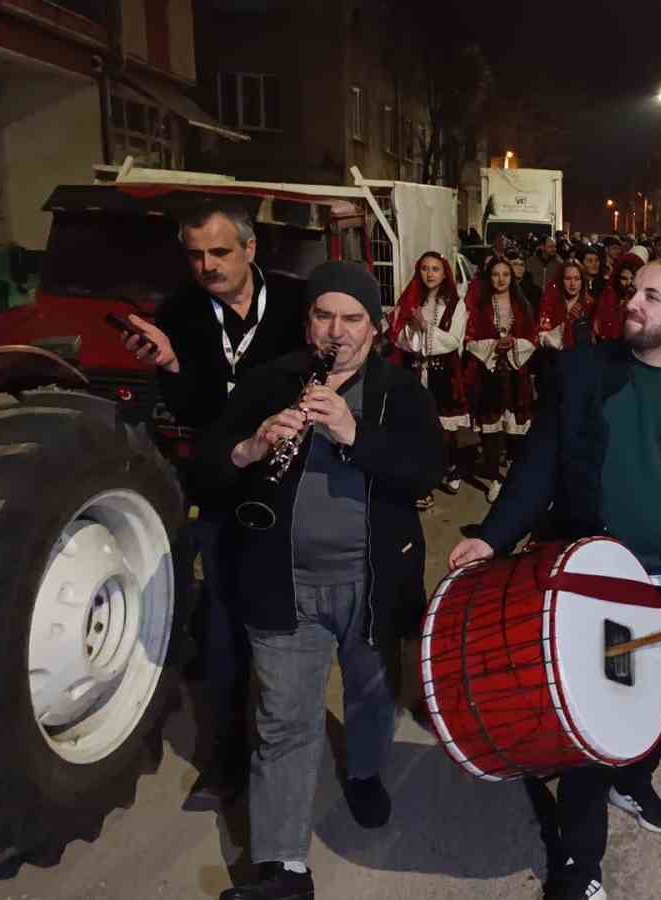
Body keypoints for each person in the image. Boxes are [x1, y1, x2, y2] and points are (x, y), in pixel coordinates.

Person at [446, 261, 661, 900]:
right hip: (590, 582)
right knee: (593, 722)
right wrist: (492, 537)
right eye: (634, 290)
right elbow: (539, 466)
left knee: (656, 703)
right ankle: (580, 863)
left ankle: (633, 780)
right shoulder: (584, 371)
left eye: (651, 296)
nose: (633, 302)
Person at [201, 261, 442, 900]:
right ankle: (284, 868)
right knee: (283, 720)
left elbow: (424, 471)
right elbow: (208, 466)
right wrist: (250, 449)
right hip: (284, 583)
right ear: (308, 322)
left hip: (371, 582)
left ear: (375, 327)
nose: (337, 331)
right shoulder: (270, 381)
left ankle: (363, 772)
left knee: (371, 694)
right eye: (324, 316)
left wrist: (353, 432)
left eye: (352, 318)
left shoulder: (400, 391)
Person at [120, 203, 307, 809]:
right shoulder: (179, 312)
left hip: (292, 485)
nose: (207, 265)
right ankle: (226, 760)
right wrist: (172, 365)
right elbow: (194, 411)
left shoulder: (298, 302)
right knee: (225, 627)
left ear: (250, 249)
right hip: (225, 485)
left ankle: (296, 753)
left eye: (220, 252)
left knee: (289, 629)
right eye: (196, 255)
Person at [388, 252, 472, 506]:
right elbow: (398, 338)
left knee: (445, 427)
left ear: (444, 274)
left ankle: (450, 466)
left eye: (435, 269)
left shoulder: (455, 304)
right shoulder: (411, 301)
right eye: (425, 268)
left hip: (444, 372)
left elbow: (454, 340)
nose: (430, 274)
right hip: (415, 371)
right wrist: (413, 328)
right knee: (419, 427)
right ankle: (423, 480)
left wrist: (426, 327)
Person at [464, 257, 538, 502]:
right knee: (491, 428)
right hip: (489, 373)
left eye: (505, 274)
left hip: (516, 373)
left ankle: (516, 477)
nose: (500, 279)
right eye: (496, 274)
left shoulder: (522, 305)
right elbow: (469, 339)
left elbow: (533, 336)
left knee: (515, 428)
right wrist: (494, 346)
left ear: (512, 277)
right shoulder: (480, 307)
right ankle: (495, 478)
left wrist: (515, 343)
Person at [593, 252, 645, 343]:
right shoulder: (608, 297)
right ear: (617, 279)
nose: (628, 283)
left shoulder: (644, 302)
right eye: (624, 279)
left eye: (632, 278)